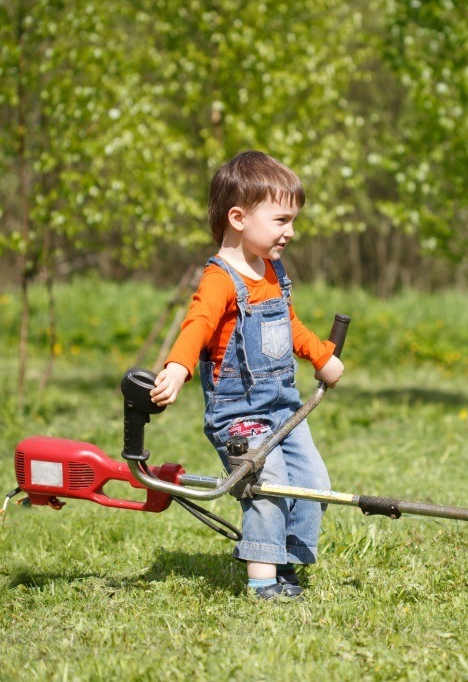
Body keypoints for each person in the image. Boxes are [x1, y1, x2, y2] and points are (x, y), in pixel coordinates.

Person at [150, 150, 344, 602]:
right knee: (268, 483)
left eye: (292, 220)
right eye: (280, 220)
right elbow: (197, 324)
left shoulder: (272, 270)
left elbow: (288, 325)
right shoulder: (220, 279)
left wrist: (321, 355)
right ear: (238, 217)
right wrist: (177, 368)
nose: (290, 232)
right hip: (239, 416)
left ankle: (288, 564)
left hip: (283, 408)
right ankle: (262, 582)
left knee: (314, 484)